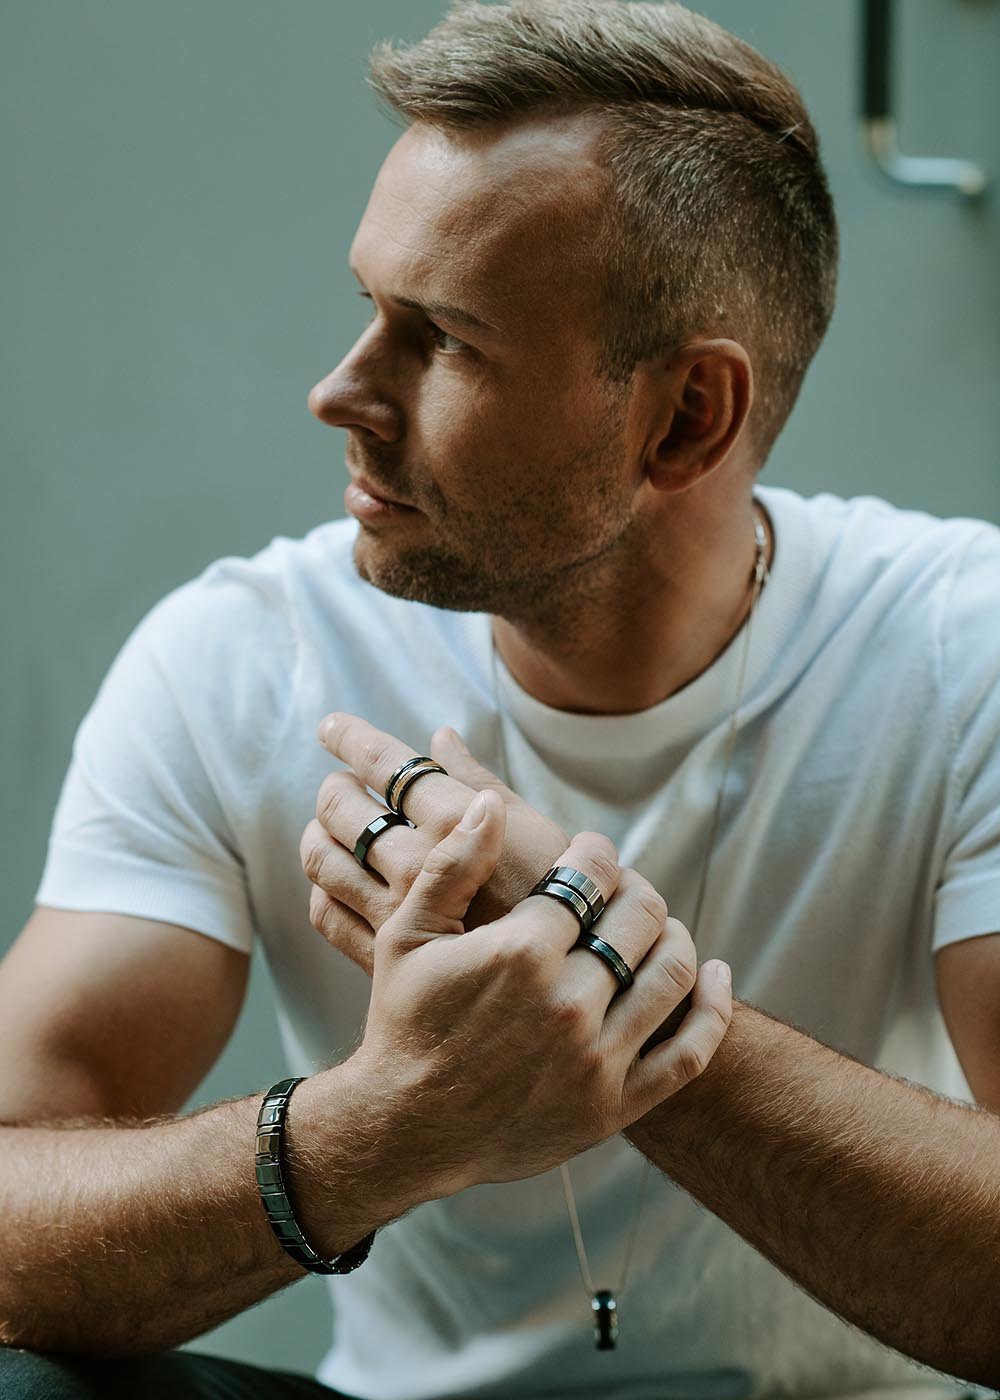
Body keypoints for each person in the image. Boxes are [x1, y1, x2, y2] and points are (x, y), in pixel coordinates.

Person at [1, 1, 998, 1398]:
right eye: (370, 309)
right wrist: (380, 1127)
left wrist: (606, 995)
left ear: (686, 419)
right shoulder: (244, 657)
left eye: (447, 340)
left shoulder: (963, 646)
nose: (342, 391)